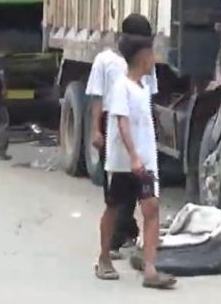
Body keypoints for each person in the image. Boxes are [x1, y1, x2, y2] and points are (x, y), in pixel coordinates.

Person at [95, 32, 175, 289]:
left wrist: (144, 159)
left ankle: (150, 270)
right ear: (143, 57)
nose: (155, 59)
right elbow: (122, 121)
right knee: (114, 209)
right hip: (123, 163)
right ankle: (104, 258)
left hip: (145, 163)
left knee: (151, 209)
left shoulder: (144, 87)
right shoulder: (122, 86)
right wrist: (133, 157)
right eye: (152, 54)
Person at [86, 14, 158, 260]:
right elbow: (98, 97)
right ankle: (111, 247)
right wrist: (96, 129)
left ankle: (131, 241)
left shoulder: (145, 74)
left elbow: (149, 101)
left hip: (138, 136)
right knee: (116, 198)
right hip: (115, 131)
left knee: (145, 202)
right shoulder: (105, 61)